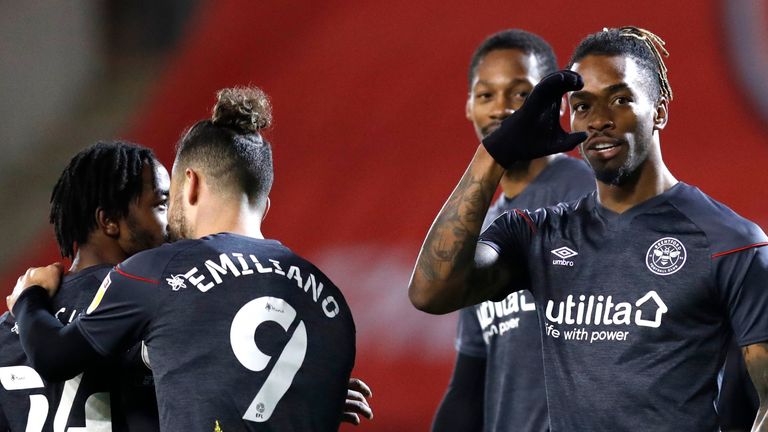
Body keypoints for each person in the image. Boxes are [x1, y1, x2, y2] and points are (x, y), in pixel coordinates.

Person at [409, 26, 768, 430]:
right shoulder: (537, 234)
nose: (598, 120)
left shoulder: (731, 243)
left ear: (660, 109)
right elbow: (430, 292)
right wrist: (493, 155)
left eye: (619, 99)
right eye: (582, 106)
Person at [8, 87, 358, 431]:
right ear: (265, 206)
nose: (168, 222)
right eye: (160, 202)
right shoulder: (329, 300)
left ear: (189, 186)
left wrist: (27, 298)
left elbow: (55, 355)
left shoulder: (156, 277)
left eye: (167, 200)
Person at [431, 29, 594, 432]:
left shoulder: (589, 197)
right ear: (468, 106)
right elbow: (471, 379)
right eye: (486, 95)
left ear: (555, 105)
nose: (501, 109)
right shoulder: (482, 228)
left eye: (520, 94)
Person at [0, 141, 168, 431]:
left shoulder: (7, 327)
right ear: (110, 221)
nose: (174, 222)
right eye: (161, 205)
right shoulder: (155, 303)